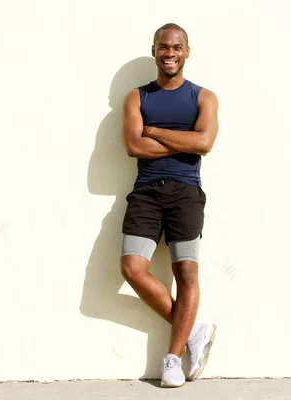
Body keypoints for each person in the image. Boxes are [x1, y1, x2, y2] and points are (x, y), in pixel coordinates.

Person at [120, 23, 219, 388]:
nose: (170, 53)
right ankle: (195, 331)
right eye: (164, 47)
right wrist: (186, 140)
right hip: (145, 192)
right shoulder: (137, 97)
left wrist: (157, 131)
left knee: (186, 275)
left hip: (186, 193)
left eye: (177, 47)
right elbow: (134, 146)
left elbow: (205, 142)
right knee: (132, 268)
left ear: (187, 51)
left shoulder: (203, 97)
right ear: (154, 51)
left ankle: (173, 359)